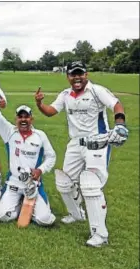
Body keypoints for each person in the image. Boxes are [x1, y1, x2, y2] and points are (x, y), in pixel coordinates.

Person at [34, 61, 129, 247]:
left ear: (86, 75)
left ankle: (100, 235)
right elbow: (51, 112)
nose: (77, 77)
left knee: (91, 185)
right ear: (68, 76)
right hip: (75, 144)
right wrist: (39, 103)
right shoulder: (65, 94)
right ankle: (76, 214)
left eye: (80, 74)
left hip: (97, 141)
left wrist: (120, 124)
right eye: (73, 74)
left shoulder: (96, 91)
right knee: (64, 181)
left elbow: (116, 104)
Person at [0, 89, 56, 226]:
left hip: (33, 184)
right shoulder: (9, 132)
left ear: (31, 119)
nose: (23, 120)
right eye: (20, 117)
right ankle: (17, 203)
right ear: (16, 119)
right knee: (3, 216)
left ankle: (33, 204)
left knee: (45, 220)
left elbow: (51, 156)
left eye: (26, 117)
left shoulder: (40, 135)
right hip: (14, 183)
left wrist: (40, 170)